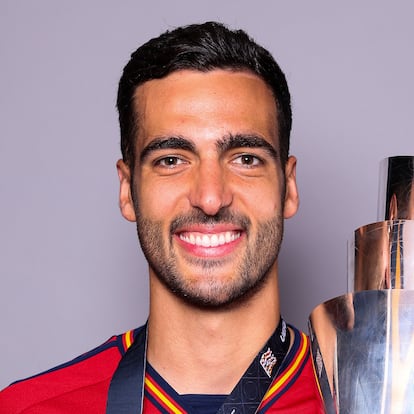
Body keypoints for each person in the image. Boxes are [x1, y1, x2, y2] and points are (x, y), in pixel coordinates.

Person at [0, 22, 324, 413]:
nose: (209, 197)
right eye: (171, 160)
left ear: (288, 187)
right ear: (127, 189)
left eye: (244, 158)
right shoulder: (27, 408)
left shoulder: (369, 398)